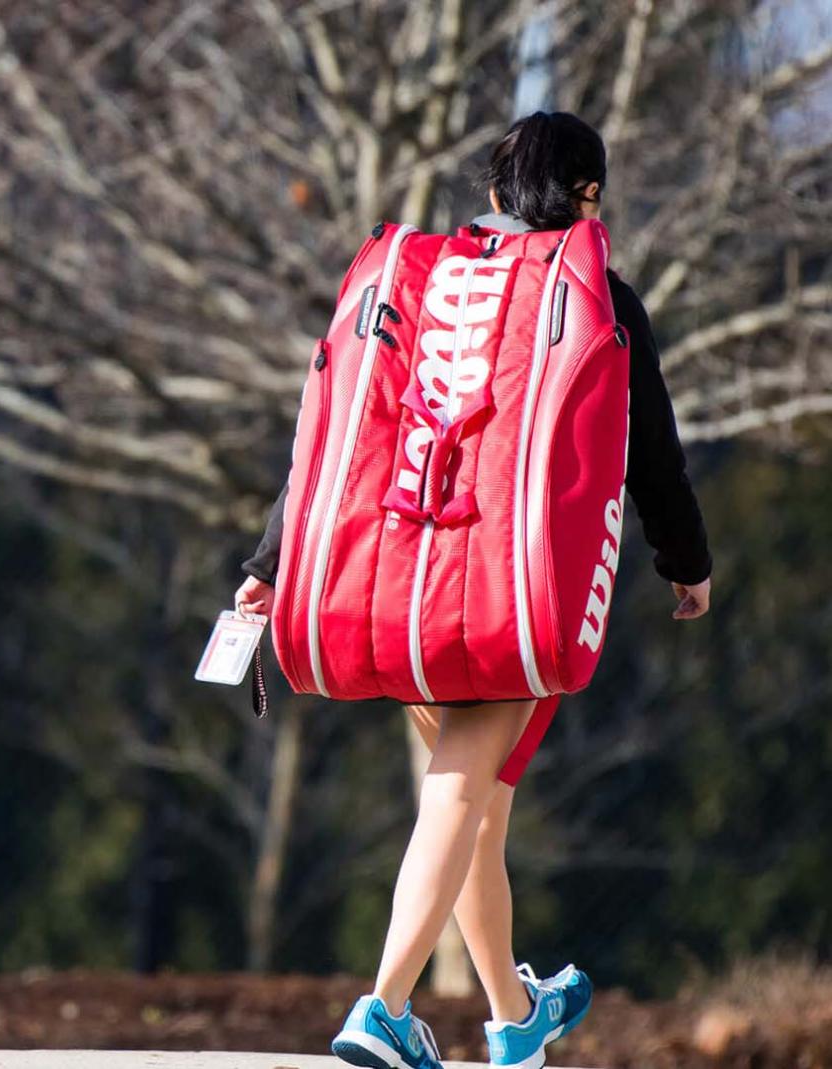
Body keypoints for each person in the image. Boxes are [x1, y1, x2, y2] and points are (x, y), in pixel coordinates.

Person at [234, 111, 714, 1069]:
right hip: (508, 589)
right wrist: (685, 563)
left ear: (494, 196)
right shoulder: (598, 298)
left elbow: (346, 425)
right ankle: (383, 1005)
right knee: (461, 798)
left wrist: (269, 562)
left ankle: (512, 1016)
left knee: (476, 810)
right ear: (589, 198)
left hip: (391, 580)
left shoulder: (427, 282)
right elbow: (649, 453)